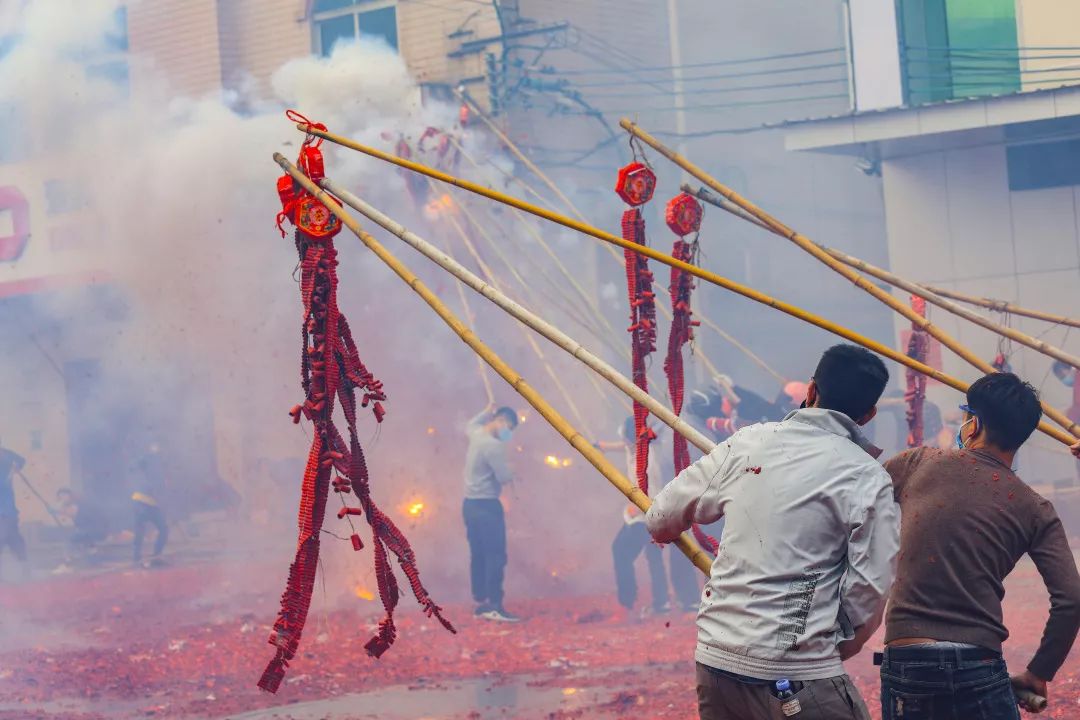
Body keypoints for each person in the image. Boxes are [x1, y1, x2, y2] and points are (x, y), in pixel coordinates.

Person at [646, 344, 898, 720]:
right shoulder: (867, 476)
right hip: (799, 671)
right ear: (868, 414)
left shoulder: (748, 443)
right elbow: (871, 588)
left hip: (716, 665)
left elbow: (660, 519)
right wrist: (830, 647)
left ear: (811, 391)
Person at [880, 373, 1080, 719]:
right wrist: (1039, 673)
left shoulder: (916, 463)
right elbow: (1072, 598)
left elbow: (852, 497)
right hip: (980, 663)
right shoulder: (1034, 507)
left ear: (973, 424)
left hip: (909, 661)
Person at [597, 417, 680, 618]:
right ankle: (661, 604)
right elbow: (623, 446)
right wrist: (601, 446)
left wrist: (638, 508)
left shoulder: (647, 458)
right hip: (645, 514)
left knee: (620, 551)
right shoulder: (634, 447)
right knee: (653, 557)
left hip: (647, 515)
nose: (624, 443)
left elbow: (650, 494)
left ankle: (627, 603)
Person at [463, 405, 519, 622]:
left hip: (469, 505)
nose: (509, 434)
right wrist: (512, 470)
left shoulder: (476, 433)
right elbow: (504, 477)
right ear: (502, 421)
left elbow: (471, 423)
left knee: (478, 554)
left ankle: (481, 600)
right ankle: (495, 604)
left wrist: (486, 410)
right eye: (510, 428)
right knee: (496, 555)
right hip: (487, 507)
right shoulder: (494, 446)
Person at [131, 442, 169, 568]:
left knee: (163, 528)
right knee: (140, 531)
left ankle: (156, 556)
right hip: (140, 501)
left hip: (152, 504)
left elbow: (160, 488)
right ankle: (136, 558)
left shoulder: (160, 467)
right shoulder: (144, 462)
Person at [0, 439, 28, 580]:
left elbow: (21, 461)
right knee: (13, 539)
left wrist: (14, 470)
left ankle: (25, 568)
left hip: (6, 513)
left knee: (9, 538)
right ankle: (25, 568)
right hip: (6, 513)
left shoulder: (5, 455)